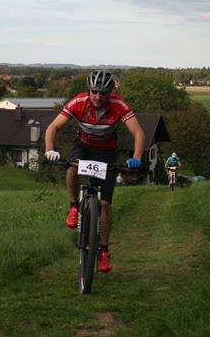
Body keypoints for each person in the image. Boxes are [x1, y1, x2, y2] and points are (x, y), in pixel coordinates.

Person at [44, 69, 146, 273]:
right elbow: (52, 127)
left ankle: (104, 251)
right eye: (94, 92)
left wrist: (136, 157)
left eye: (103, 93)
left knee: (105, 204)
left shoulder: (119, 105)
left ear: (110, 94)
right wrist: (49, 149)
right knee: (72, 167)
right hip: (83, 146)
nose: (97, 97)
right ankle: (74, 207)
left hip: (106, 152)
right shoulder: (78, 102)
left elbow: (139, 133)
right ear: (88, 90)